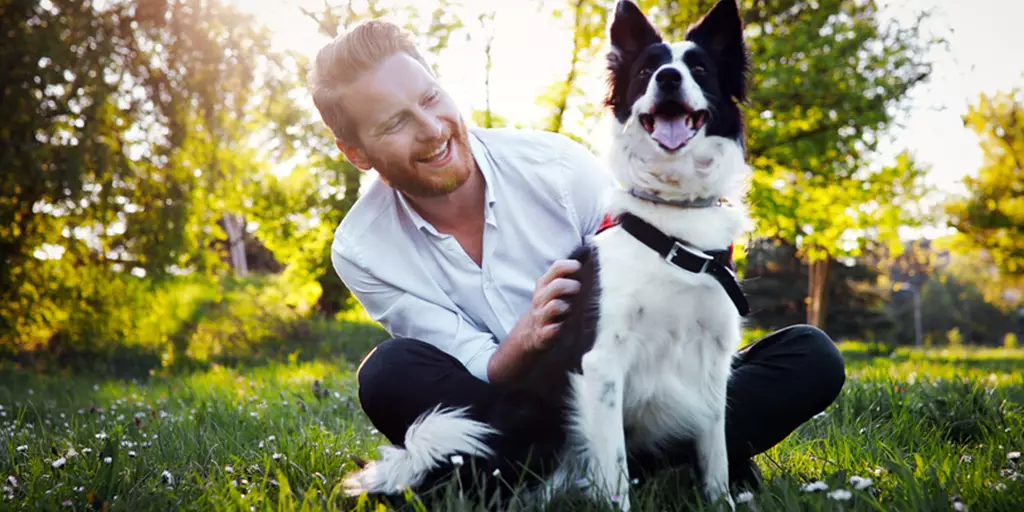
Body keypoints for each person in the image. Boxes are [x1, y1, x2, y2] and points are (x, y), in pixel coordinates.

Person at [308, 19, 846, 492]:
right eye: (394, 123)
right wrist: (520, 343)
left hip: (641, 392)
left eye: (429, 99)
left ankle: (530, 474)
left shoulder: (559, 166)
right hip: (517, 410)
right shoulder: (363, 249)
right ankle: (610, 464)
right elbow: (459, 353)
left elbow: (669, 289)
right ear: (355, 153)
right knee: (387, 373)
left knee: (809, 356)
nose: (430, 130)